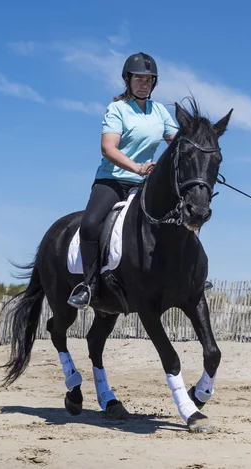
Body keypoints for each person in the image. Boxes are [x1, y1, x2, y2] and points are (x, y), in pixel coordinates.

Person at [67, 52, 177, 309]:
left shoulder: (160, 111)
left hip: (145, 184)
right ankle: (89, 285)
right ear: (127, 80)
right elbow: (109, 149)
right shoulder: (117, 109)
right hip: (113, 181)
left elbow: (177, 143)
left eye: (149, 79)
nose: (144, 83)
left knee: (182, 213)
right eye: (138, 78)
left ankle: (186, 273)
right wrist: (138, 167)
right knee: (91, 223)